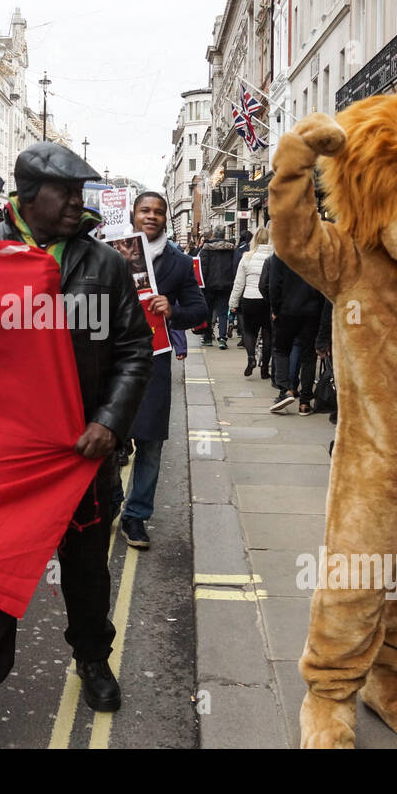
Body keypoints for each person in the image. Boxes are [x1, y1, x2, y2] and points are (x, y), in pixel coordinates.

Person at [0, 142, 153, 749]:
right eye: (67, 193)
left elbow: (131, 348)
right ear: (28, 196)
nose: (80, 203)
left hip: (82, 454)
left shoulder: (102, 264)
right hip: (4, 457)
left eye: (82, 193)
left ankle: (93, 658)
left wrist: (110, 420)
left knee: (85, 572)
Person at [106, 191, 206, 549]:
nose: (152, 216)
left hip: (154, 358)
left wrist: (173, 309)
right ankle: (113, 500)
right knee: (108, 437)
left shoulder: (178, 262)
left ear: (166, 218)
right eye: (145, 210)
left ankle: (136, 515)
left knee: (149, 443)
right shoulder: (110, 251)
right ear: (133, 214)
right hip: (111, 357)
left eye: (158, 212)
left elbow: (199, 310)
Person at [265, 250, 326, 414]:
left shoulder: (281, 252)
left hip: (286, 310)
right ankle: (305, 402)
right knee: (309, 356)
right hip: (312, 312)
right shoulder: (316, 253)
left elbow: (274, 284)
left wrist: (276, 309)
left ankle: (284, 391)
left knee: (282, 351)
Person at [228, 226, 273, 378]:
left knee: (249, 331)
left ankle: (251, 358)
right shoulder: (274, 256)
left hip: (249, 299)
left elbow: (239, 283)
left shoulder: (246, 257)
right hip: (267, 300)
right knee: (268, 334)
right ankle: (265, 369)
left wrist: (233, 303)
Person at [197, 232, 235, 347]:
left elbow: (202, 268)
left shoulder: (206, 248)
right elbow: (234, 267)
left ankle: (208, 337)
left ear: (214, 235)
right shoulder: (231, 249)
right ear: (224, 235)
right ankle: (222, 338)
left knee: (208, 311)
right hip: (226, 285)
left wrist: (201, 285)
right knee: (223, 313)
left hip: (209, 286)